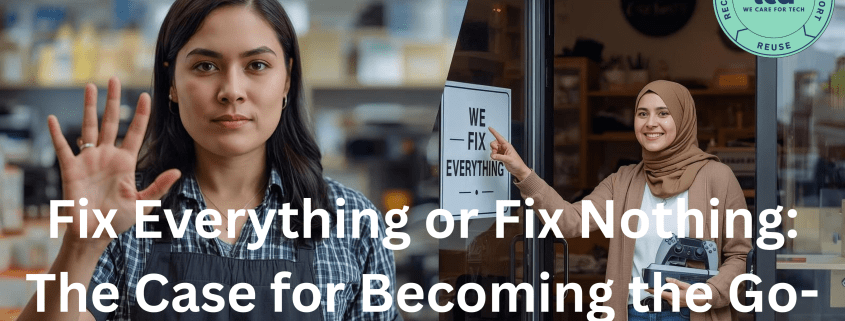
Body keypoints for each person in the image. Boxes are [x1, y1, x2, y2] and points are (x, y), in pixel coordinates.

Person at [18, 0, 398, 320]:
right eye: (205, 66)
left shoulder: (352, 224)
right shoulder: (127, 215)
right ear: (172, 84)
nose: (232, 91)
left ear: (286, 81)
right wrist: (82, 246)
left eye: (257, 66)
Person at [489, 80, 751, 320]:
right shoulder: (623, 181)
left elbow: (740, 256)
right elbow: (567, 222)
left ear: (683, 119)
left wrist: (709, 292)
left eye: (663, 113)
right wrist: (523, 172)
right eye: (642, 113)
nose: (650, 122)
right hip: (631, 313)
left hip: (690, 314)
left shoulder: (717, 177)